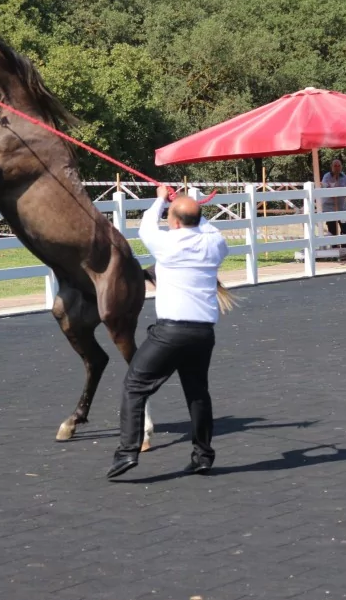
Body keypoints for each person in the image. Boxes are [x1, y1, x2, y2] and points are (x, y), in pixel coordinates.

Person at [106, 186, 230, 479]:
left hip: (171, 333)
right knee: (197, 392)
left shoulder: (165, 244)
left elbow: (147, 225)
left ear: (173, 222)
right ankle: (202, 455)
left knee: (134, 386)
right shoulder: (215, 245)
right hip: (203, 334)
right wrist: (186, 204)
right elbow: (206, 228)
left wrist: (162, 196)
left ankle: (127, 452)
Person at [321, 158, 346, 248]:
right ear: (332, 167)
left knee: (345, 226)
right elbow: (326, 187)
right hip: (329, 206)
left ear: (341, 167)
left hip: (341, 206)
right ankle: (334, 248)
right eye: (335, 166)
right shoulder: (327, 176)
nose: (337, 168)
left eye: (339, 166)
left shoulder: (344, 177)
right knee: (332, 227)